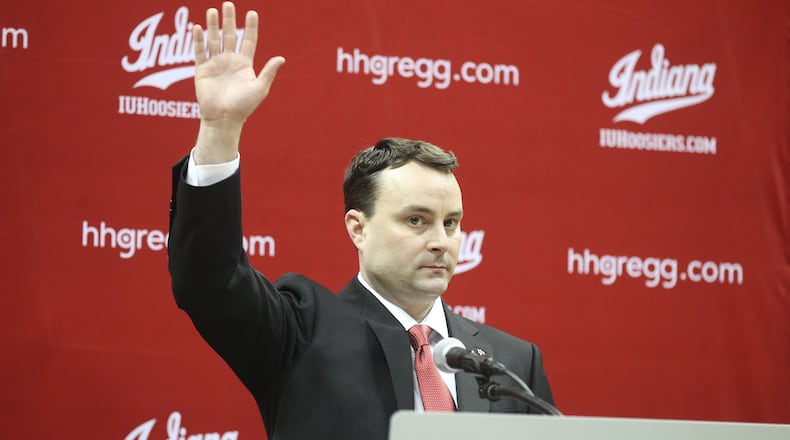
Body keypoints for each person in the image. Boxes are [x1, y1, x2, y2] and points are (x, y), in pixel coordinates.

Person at [168, 2, 554, 439]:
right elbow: (210, 280)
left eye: (451, 223)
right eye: (416, 220)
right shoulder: (299, 333)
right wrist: (219, 131)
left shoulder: (511, 363)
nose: (440, 241)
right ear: (358, 227)